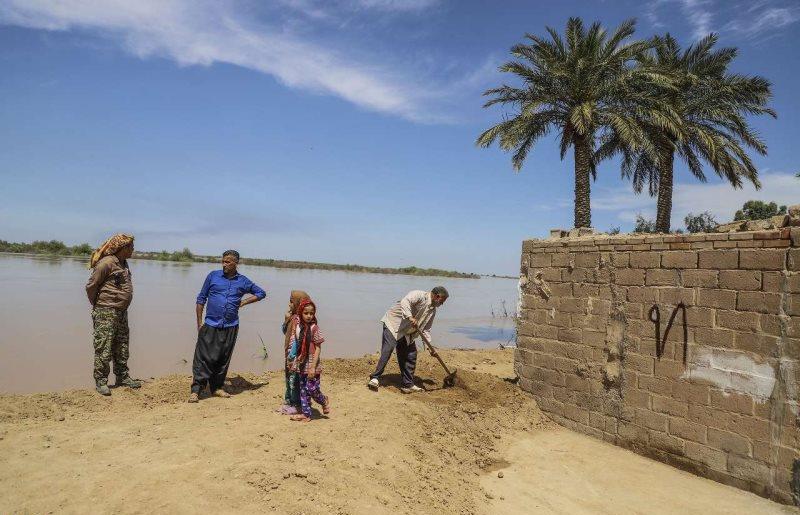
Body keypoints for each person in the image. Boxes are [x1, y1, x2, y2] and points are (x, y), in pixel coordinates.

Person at [189, 250, 266, 403]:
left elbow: (261, 293)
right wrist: (199, 323)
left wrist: (244, 302)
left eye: (228, 262)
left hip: (231, 325)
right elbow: (200, 299)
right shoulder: (213, 276)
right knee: (202, 358)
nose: (224, 264)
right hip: (210, 324)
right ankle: (196, 390)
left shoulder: (243, 281)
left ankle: (217, 387)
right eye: (223, 261)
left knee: (223, 358)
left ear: (236, 263)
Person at [85, 233, 141, 396]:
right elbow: (91, 287)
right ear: (122, 248)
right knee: (104, 346)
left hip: (121, 312)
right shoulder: (106, 263)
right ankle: (101, 381)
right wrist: (99, 306)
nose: (133, 249)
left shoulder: (124, 263)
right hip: (105, 312)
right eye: (130, 247)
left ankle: (123, 377)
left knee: (122, 345)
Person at [367, 286, 449, 393]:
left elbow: (426, 330)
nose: (441, 304)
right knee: (388, 350)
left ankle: (408, 385)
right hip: (394, 324)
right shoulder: (419, 295)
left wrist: (430, 348)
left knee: (410, 355)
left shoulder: (432, 311)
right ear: (437, 296)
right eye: (441, 301)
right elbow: (405, 302)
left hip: (408, 332)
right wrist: (410, 317)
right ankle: (375, 378)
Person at [288, 299, 330, 422]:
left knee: (311, 388)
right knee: (303, 390)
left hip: (312, 363)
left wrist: (312, 366)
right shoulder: (298, 328)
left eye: (311, 313)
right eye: (306, 313)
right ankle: (306, 414)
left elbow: (318, 348)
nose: (309, 316)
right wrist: (292, 360)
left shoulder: (314, 328)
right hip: (301, 362)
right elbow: (295, 344)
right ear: (301, 312)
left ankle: (323, 400)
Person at [278, 290, 310, 415]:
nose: (289, 304)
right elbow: (285, 332)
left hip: (296, 356)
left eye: (291, 302)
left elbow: (300, 339)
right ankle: (289, 401)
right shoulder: (292, 317)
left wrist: (293, 354)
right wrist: (286, 320)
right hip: (289, 355)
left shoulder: (302, 321)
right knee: (288, 378)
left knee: (295, 380)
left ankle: (296, 404)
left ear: (298, 303)